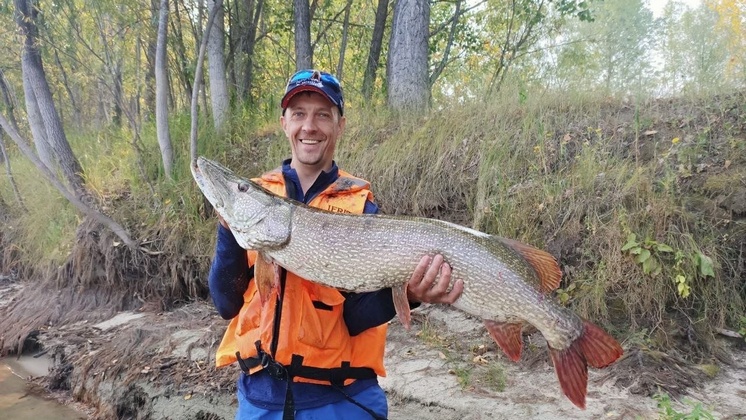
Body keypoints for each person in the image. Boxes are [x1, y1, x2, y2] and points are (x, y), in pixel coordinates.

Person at [208, 69, 464, 420]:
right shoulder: (256, 201)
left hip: (343, 401)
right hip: (261, 400)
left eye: (322, 115)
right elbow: (226, 303)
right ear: (284, 123)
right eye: (299, 114)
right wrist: (229, 226)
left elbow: (357, 317)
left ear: (339, 125)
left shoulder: (361, 208)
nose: (309, 126)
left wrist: (415, 294)